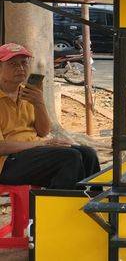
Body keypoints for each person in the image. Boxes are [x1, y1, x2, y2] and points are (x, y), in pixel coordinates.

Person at [0, 43, 100, 189]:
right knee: (69, 158)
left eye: (23, 63)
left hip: (32, 152)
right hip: (6, 163)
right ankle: (60, 207)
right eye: (13, 64)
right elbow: (1, 147)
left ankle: (93, 203)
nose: (20, 68)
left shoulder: (27, 94)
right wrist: (41, 143)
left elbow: (43, 131)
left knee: (88, 153)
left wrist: (39, 103)